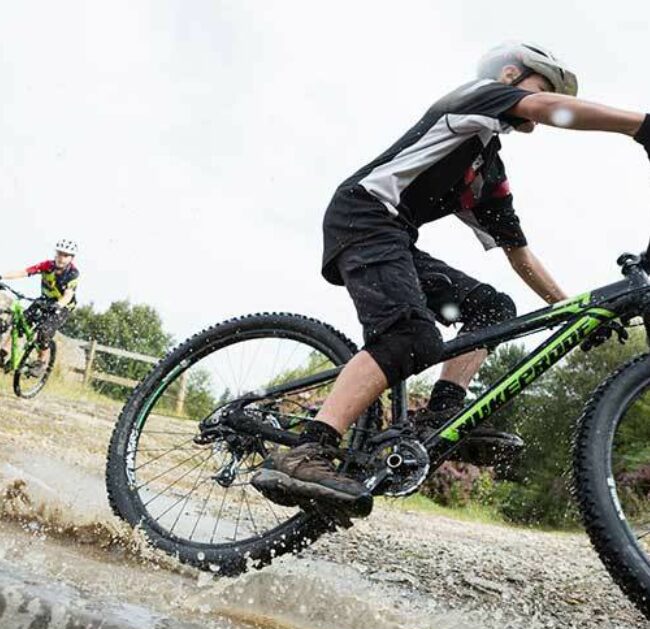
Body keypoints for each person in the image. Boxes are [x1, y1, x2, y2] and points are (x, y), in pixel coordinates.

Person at [252, 41, 650, 515]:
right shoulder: (475, 97)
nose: (539, 107)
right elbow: (546, 109)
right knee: (409, 337)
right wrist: (640, 126)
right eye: (541, 87)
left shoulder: (487, 169)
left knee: (492, 309)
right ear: (508, 76)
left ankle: (440, 414)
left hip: (393, 234)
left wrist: (572, 309)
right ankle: (306, 450)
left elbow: (518, 253)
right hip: (362, 216)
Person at [0, 239, 80, 375]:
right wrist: (2, 276)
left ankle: (40, 362)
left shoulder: (73, 273)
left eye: (65, 255)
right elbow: (23, 272)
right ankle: (4, 352)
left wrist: (58, 304)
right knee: (19, 322)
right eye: (59, 254)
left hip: (63, 306)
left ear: (71, 258)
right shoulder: (47, 266)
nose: (61, 258)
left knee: (44, 331)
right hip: (44, 300)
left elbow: (68, 295)